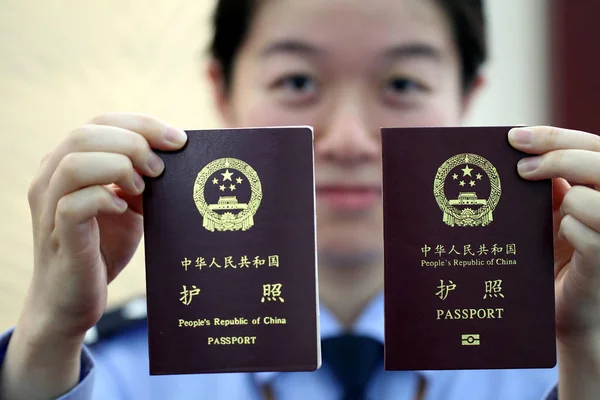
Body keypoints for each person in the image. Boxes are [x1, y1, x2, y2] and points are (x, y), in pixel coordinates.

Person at [1, 0, 599, 398]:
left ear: (468, 97)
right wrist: (47, 336)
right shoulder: (115, 371)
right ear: (222, 89)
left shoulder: (558, 353)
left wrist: (590, 349)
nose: (346, 141)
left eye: (402, 84)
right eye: (297, 82)